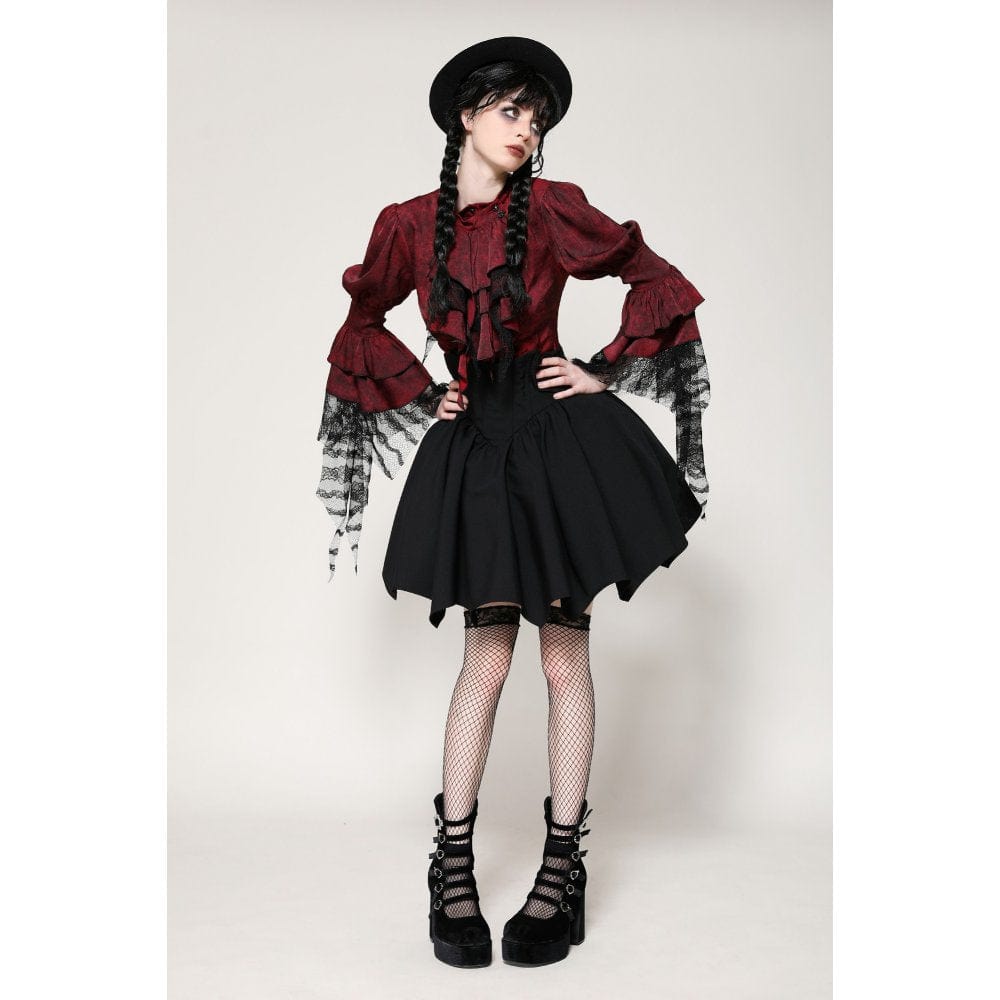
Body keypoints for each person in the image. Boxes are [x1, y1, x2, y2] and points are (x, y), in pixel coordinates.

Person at [315, 36, 711, 968]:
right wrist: (424, 392)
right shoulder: (408, 225)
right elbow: (362, 320)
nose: (527, 129)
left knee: (564, 657)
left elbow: (654, 276)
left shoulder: (556, 209)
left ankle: (561, 869)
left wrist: (603, 368)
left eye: (536, 117)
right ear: (467, 116)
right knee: (486, 660)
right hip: (477, 451)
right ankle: (450, 866)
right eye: (510, 111)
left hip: (554, 444)